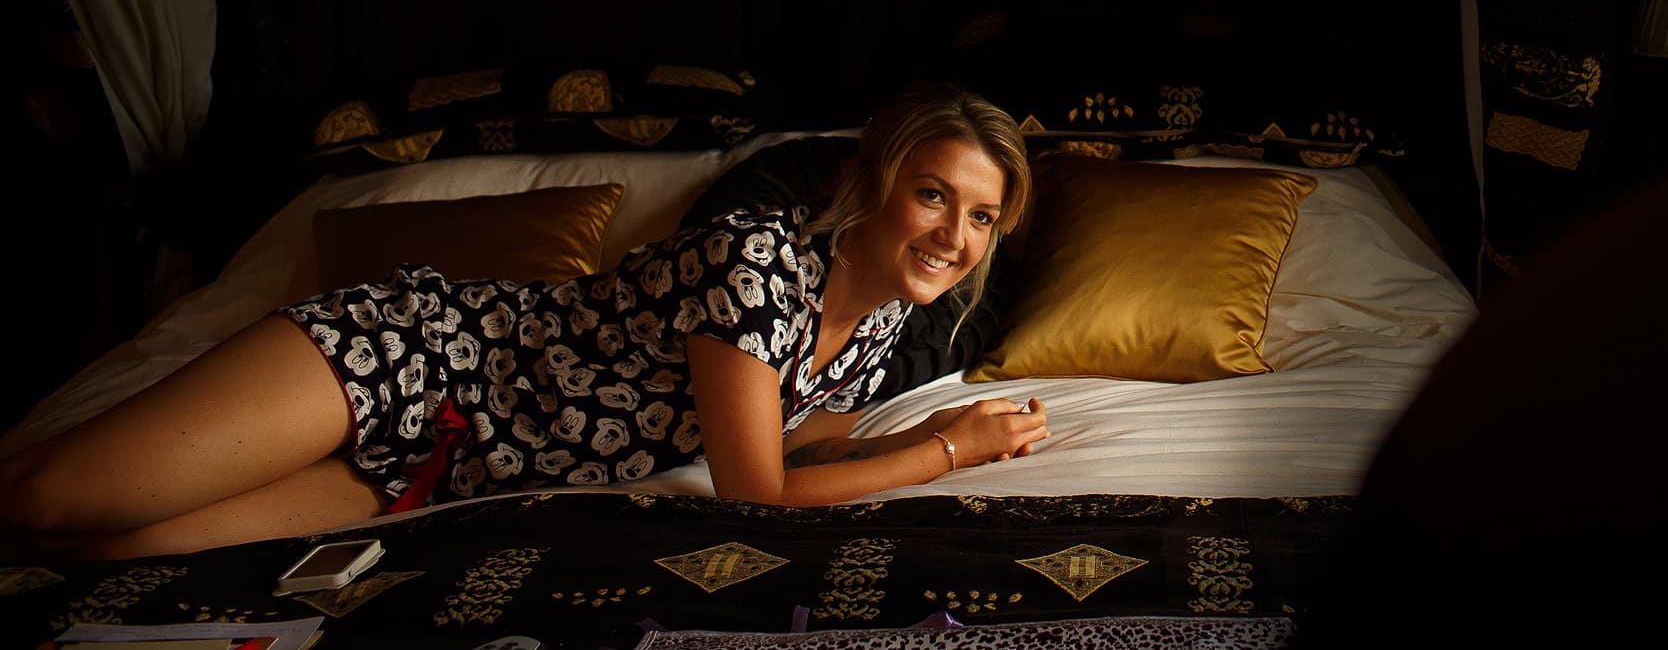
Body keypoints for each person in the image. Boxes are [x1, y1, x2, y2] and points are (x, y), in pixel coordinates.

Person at [0, 81, 1051, 559]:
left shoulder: (870, 326)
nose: (953, 233)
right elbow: (757, 492)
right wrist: (945, 452)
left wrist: (909, 432)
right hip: (414, 359)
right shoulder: (758, 261)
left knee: (117, 557)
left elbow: (782, 423)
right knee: (48, 497)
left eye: (980, 216)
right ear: (869, 184)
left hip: (448, 468)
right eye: (931, 195)